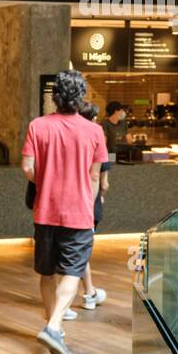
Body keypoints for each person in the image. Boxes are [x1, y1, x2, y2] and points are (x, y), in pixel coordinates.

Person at [21, 70, 107, 354]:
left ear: (53, 97)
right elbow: (95, 175)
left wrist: (45, 183)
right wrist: (87, 200)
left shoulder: (37, 126)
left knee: (47, 272)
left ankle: (52, 325)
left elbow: (27, 168)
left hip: (45, 210)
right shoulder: (94, 131)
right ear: (81, 97)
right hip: (78, 211)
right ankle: (54, 325)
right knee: (72, 270)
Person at [74, 102, 108, 315]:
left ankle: (88, 292)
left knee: (75, 250)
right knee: (81, 250)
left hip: (67, 201)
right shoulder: (97, 138)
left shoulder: (72, 138)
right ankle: (88, 293)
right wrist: (98, 198)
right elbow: (102, 181)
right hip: (87, 203)